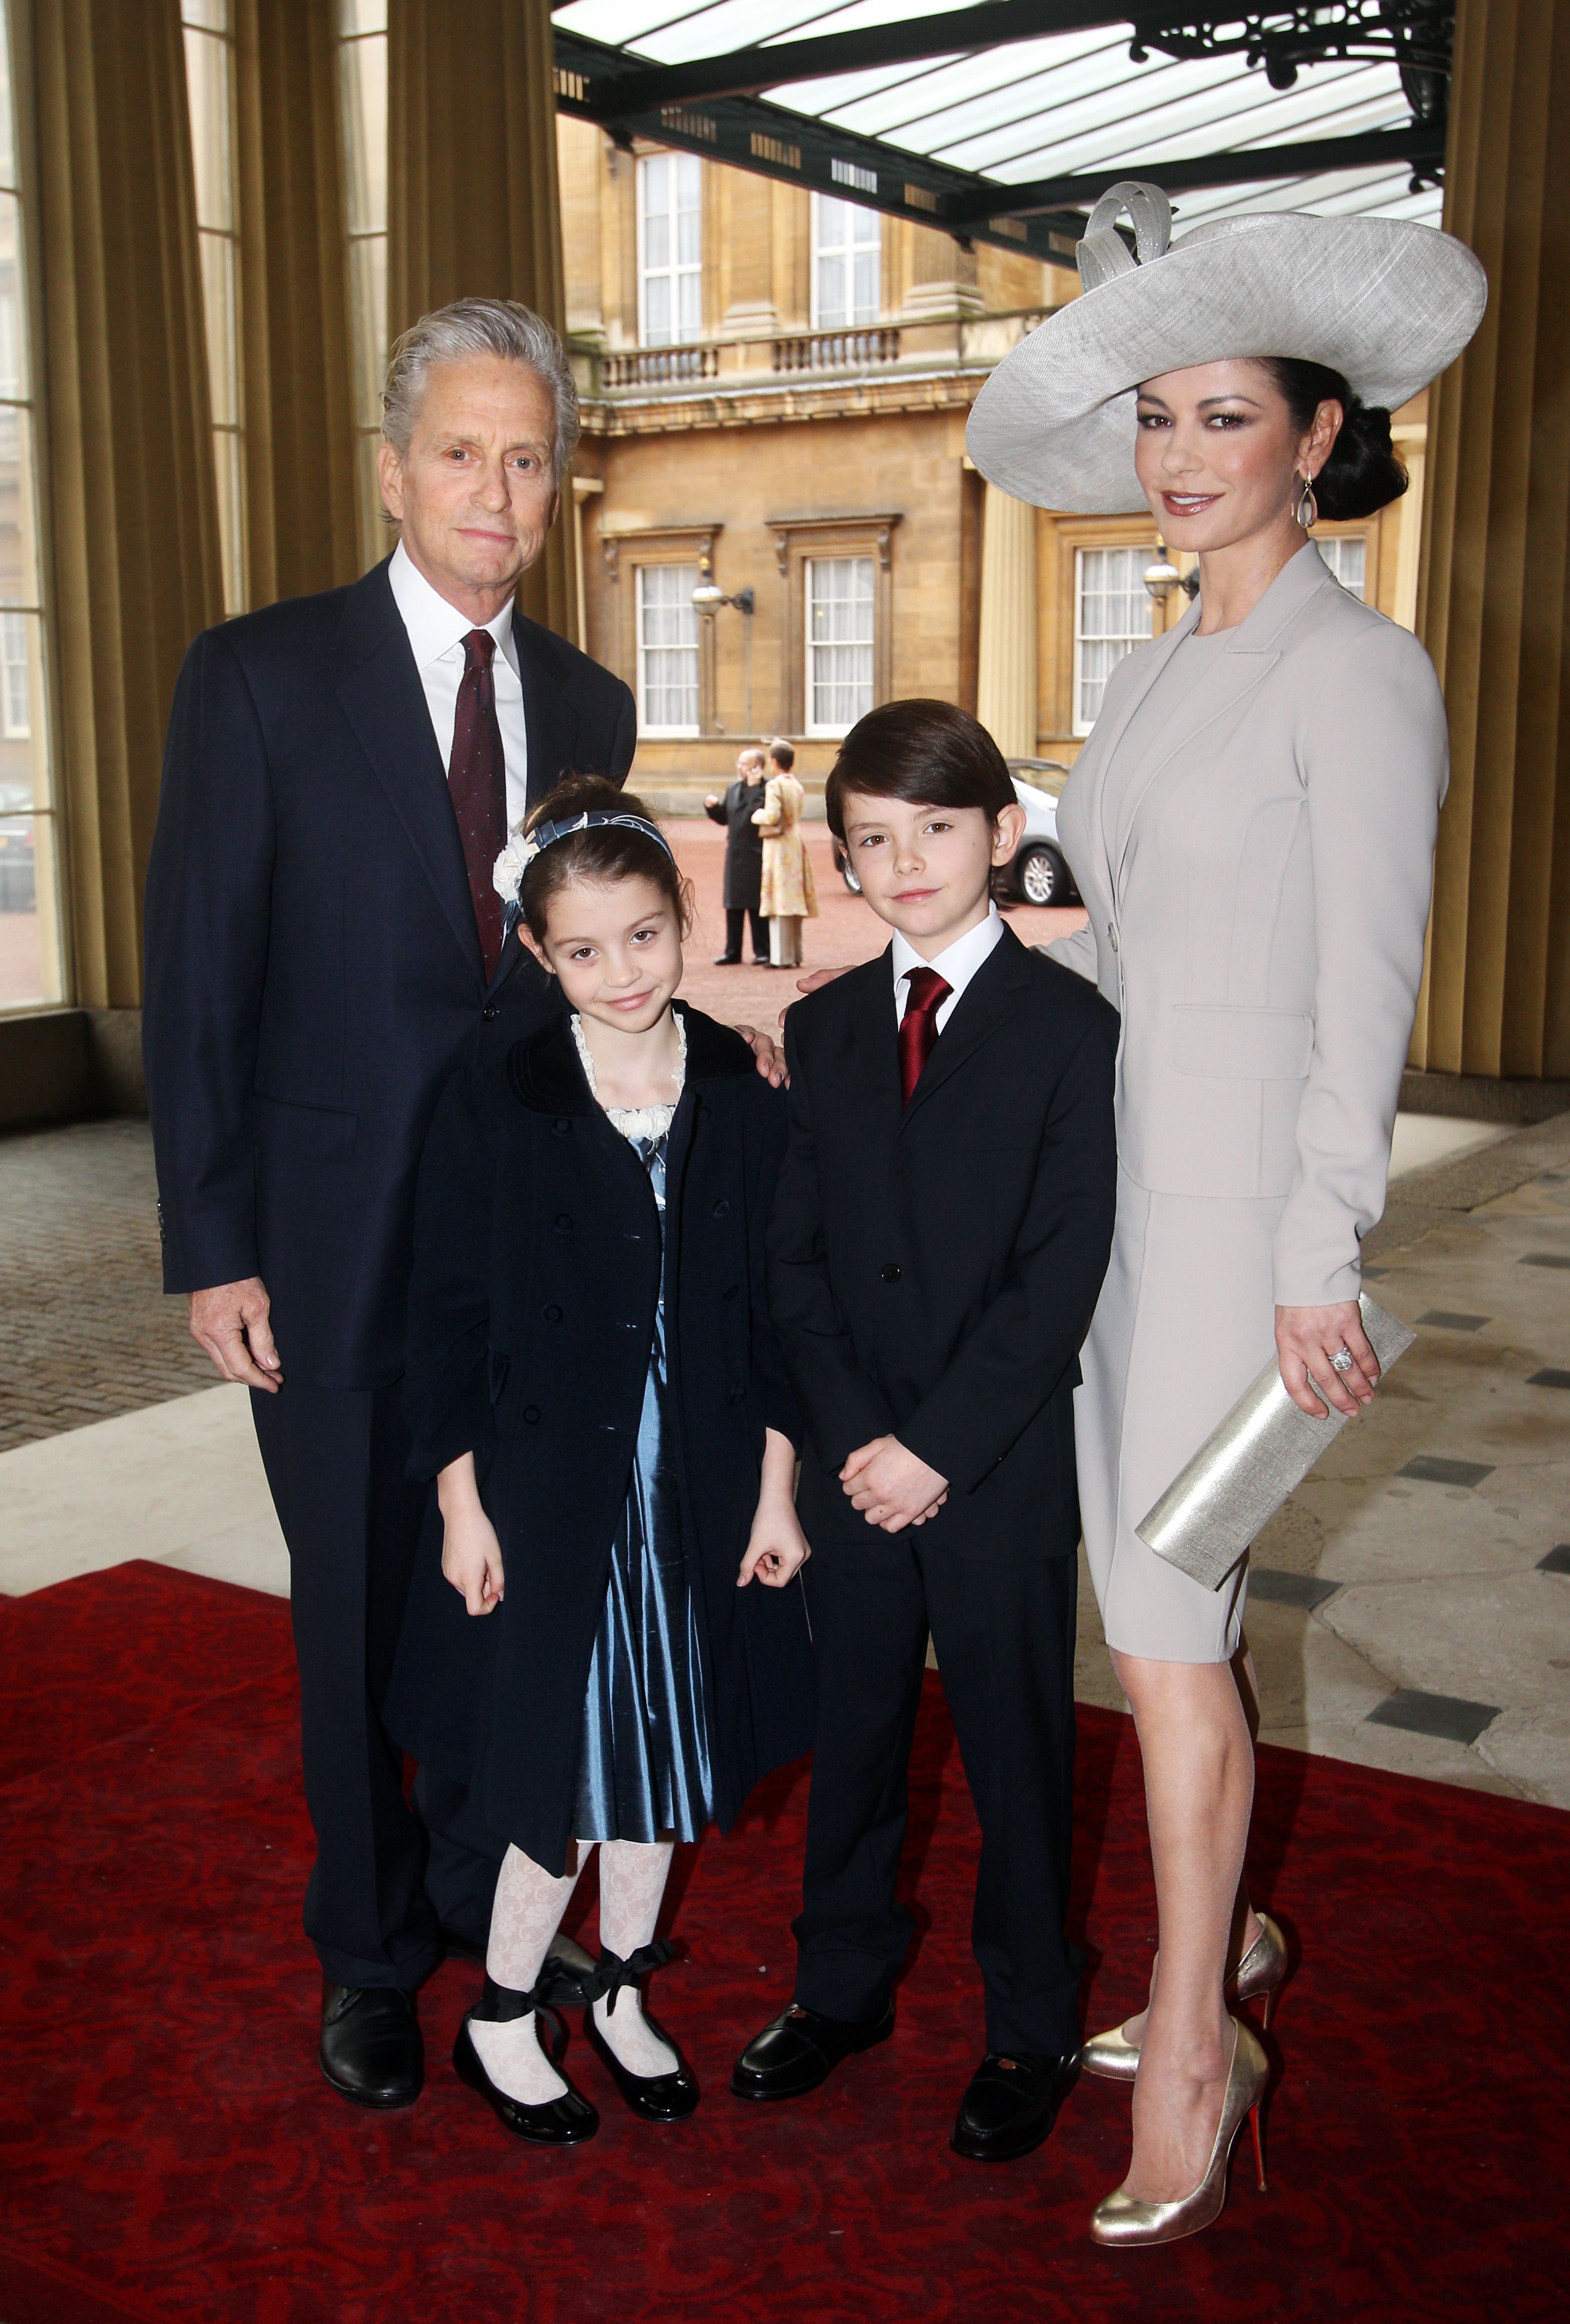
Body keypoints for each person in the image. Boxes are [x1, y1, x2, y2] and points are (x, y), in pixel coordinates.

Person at [142, 297, 776, 2114]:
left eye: (525, 456)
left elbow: (593, 973)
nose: (494, 488)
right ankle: (368, 1946)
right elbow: (196, 976)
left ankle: (485, 1898)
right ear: (390, 465)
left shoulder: (586, 699)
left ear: (555, 479)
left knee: (522, 1590)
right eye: (458, 450)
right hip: (326, 1248)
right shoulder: (257, 674)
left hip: (535, 1256)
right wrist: (214, 1238)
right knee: (350, 1605)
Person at [966, 180, 1486, 2245]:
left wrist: (1312, 1254)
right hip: (1111, 1213)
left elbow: (1361, 995)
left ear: (1310, 431)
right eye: (1155, 423)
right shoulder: (1166, 659)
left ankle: (1192, 2032)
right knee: (1179, 1628)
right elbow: (1124, 943)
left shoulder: (1356, 677)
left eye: (1217, 420)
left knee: (1161, 1637)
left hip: (1227, 1234)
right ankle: (1230, 1927)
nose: (1175, 459)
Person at [384, 775, 815, 2144]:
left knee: (667, 1755)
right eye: (580, 950)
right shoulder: (499, 1088)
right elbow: (442, 1302)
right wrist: (458, 1502)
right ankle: (504, 2010)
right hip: (547, 1491)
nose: (619, 972)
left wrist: (777, 1489)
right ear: (534, 951)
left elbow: (775, 1307)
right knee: (551, 1767)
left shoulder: (740, 1093)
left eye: (641, 935)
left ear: (682, 917)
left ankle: (623, 1987)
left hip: (692, 1483)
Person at [731, 700, 1118, 2167]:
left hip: (995, 1463)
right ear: (837, 859)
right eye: (871, 842)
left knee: (1018, 1746)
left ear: (1002, 839)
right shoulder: (825, 1025)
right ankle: (838, 1986)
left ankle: (1027, 2020)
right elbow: (797, 1259)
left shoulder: (1067, 1028)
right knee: (858, 1729)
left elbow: (1061, 1267)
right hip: (854, 1460)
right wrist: (853, 1441)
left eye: (937, 833)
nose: (905, 867)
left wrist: (935, 1447)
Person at [753, 739, 817, 968]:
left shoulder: (775, 785)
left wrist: (756, 815)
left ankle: (780, 957)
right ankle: (796, 954)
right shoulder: (796, 785)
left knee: (780, 901)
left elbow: (771, 816)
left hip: (779, 846)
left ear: (774, 761)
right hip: (795, 841)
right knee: (794, 903)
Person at [703, 745, 770, 963]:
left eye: (744, 764)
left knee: (755, 904)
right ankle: (733, 951)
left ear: (757, 768)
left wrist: (753, 789)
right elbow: (727, 817)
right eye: (739, 763)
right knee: (733, 904)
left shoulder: (767, 789)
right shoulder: (732, 789)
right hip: (735, 852)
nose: (739, 768)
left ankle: (762, 950)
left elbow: (755, 816)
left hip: (756, 852)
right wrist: (713, 808)